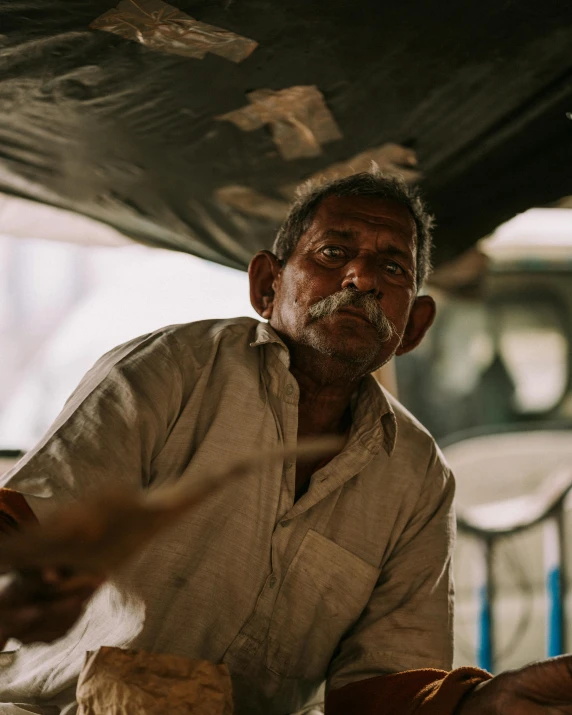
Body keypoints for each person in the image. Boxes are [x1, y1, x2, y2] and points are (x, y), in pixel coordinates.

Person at [0, 170, 571, 715]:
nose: (362, 278)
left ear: (414, 327)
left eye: (392, 267)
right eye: (332, 253)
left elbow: (387, 688)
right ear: (268, 285)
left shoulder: (418, 476)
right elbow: (22, 528)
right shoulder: (171, 371)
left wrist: (485, 704)